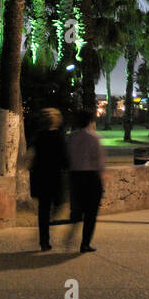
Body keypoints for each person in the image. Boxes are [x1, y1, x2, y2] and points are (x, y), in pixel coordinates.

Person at [28, 108, 69, 251]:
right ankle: (47, 231)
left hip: (40, 176)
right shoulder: (59, 136)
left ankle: (43, 240)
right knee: (58, 204)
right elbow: (64, 158)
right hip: (54, 176)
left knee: (43, 209)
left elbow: (31, 155)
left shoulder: (38, 135)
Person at [66, 109, 106, 254]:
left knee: (78, 208)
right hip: (91, 177)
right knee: (91, 213)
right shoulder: (94, 138)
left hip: (75, 176)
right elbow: (100, 161)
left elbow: (68, 158)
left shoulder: (70, 138)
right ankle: (85, 243)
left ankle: (73, 227)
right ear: (90, 121)